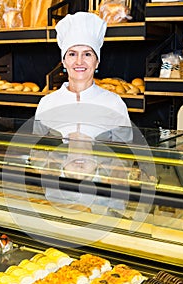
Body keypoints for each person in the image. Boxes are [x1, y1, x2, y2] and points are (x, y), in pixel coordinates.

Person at [32, 11, 133, 213]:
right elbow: (37, 154)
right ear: (63, 61)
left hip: (104, 201)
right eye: (72, 54)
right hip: (57, 198)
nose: (79, 61)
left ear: (97, 62)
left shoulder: (114, 103)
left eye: (87, 54)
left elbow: (127, 157)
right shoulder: (47, 104)